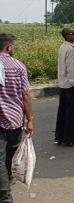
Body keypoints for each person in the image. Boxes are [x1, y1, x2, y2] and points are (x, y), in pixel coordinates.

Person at [0, 33, 33, 203]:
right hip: (14, 119)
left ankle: (3, 187)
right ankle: (5, 194)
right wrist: (30, 119)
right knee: (8, 157)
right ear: (9, 47)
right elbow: (25, 95)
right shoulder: (18, 66)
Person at [55, 28, 74, 147]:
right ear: (67, 36)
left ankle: (59, 137)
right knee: (70, 112)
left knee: (62, 111)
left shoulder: (62, 47)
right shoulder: (70, 49)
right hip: (70, 85)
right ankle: (68, 139)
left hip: (63, 84)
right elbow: (71, 69)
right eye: (73, 33)